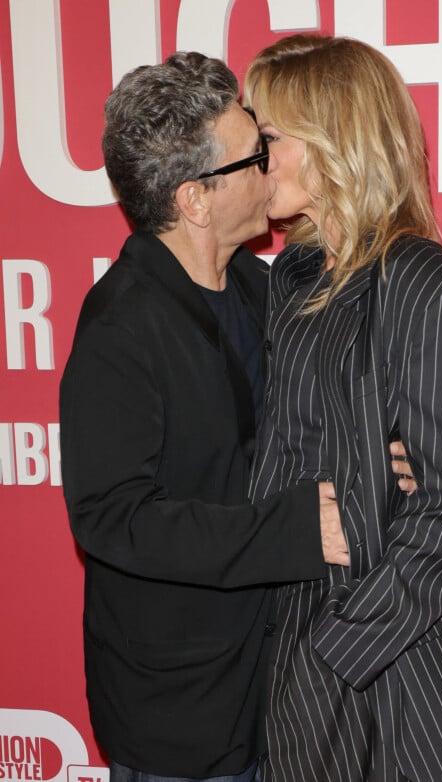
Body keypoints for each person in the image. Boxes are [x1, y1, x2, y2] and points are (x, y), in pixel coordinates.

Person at [60, 51, 415, 782]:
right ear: (195, 199)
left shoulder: (267, 285)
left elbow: (295, 431)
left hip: (280, 681)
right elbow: (112, 518)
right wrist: (292, 529)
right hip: (181, 708)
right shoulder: (121, 327)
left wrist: (379, 457)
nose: (272, 164)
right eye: (255, 152)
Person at [245, 34, 442, 782]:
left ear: (336, 138)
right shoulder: (292, 279)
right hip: (280, 632)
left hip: (378, 671)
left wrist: (339, 653)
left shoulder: (425, 288)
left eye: (268, 137)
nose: (253, 158)